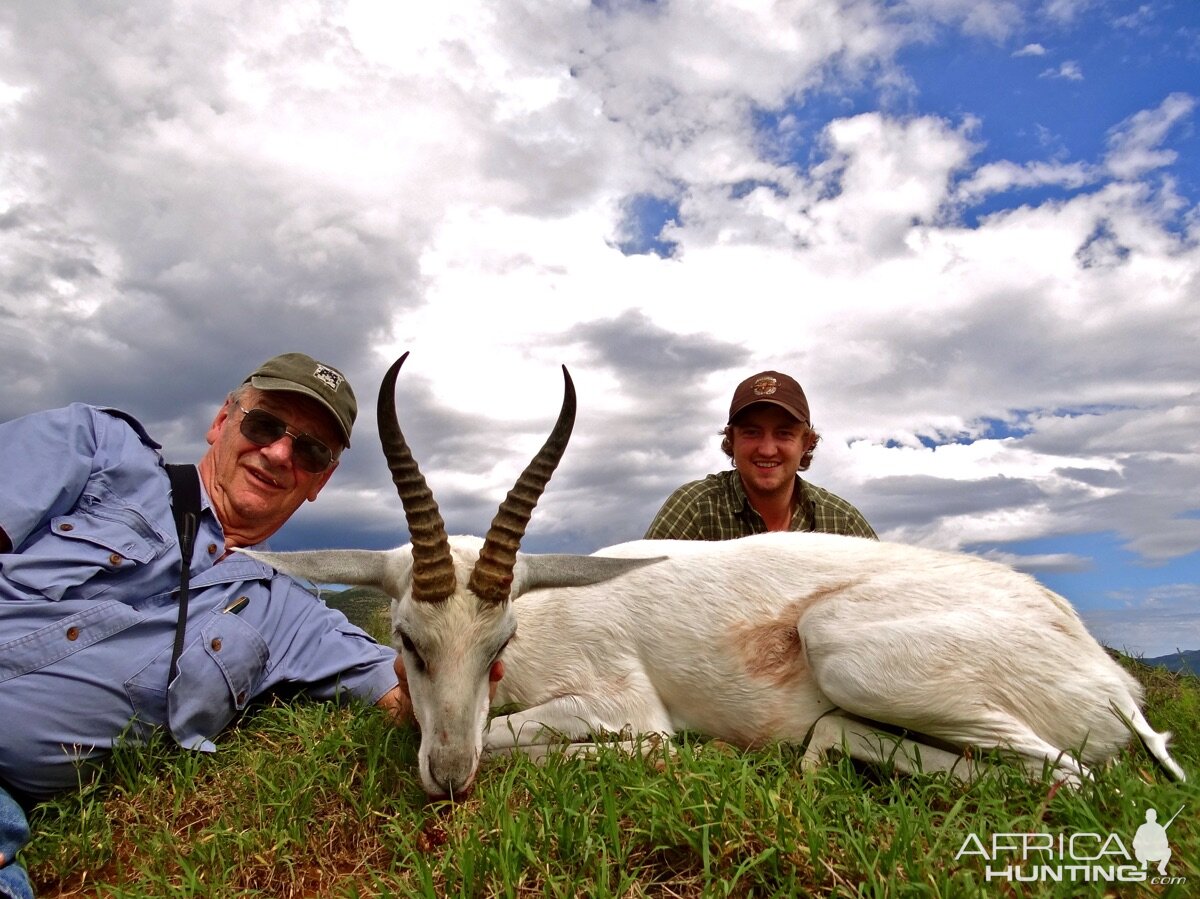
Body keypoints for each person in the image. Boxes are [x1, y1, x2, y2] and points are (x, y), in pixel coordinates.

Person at [0, 352, 413, 899]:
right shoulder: (97, 445)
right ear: (223, 420)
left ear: (321, 480)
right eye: (264, 424)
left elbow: (404, 694)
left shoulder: (293, 617)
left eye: (311, 450)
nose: (279, 452)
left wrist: (449, 660)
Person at [645, 370, 876, 540]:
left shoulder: (842, 522)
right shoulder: (694, 507)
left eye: (784, 433)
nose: (767, 449)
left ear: (806, 442)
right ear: (731, 439)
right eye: (752, 432)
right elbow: (641, 593)